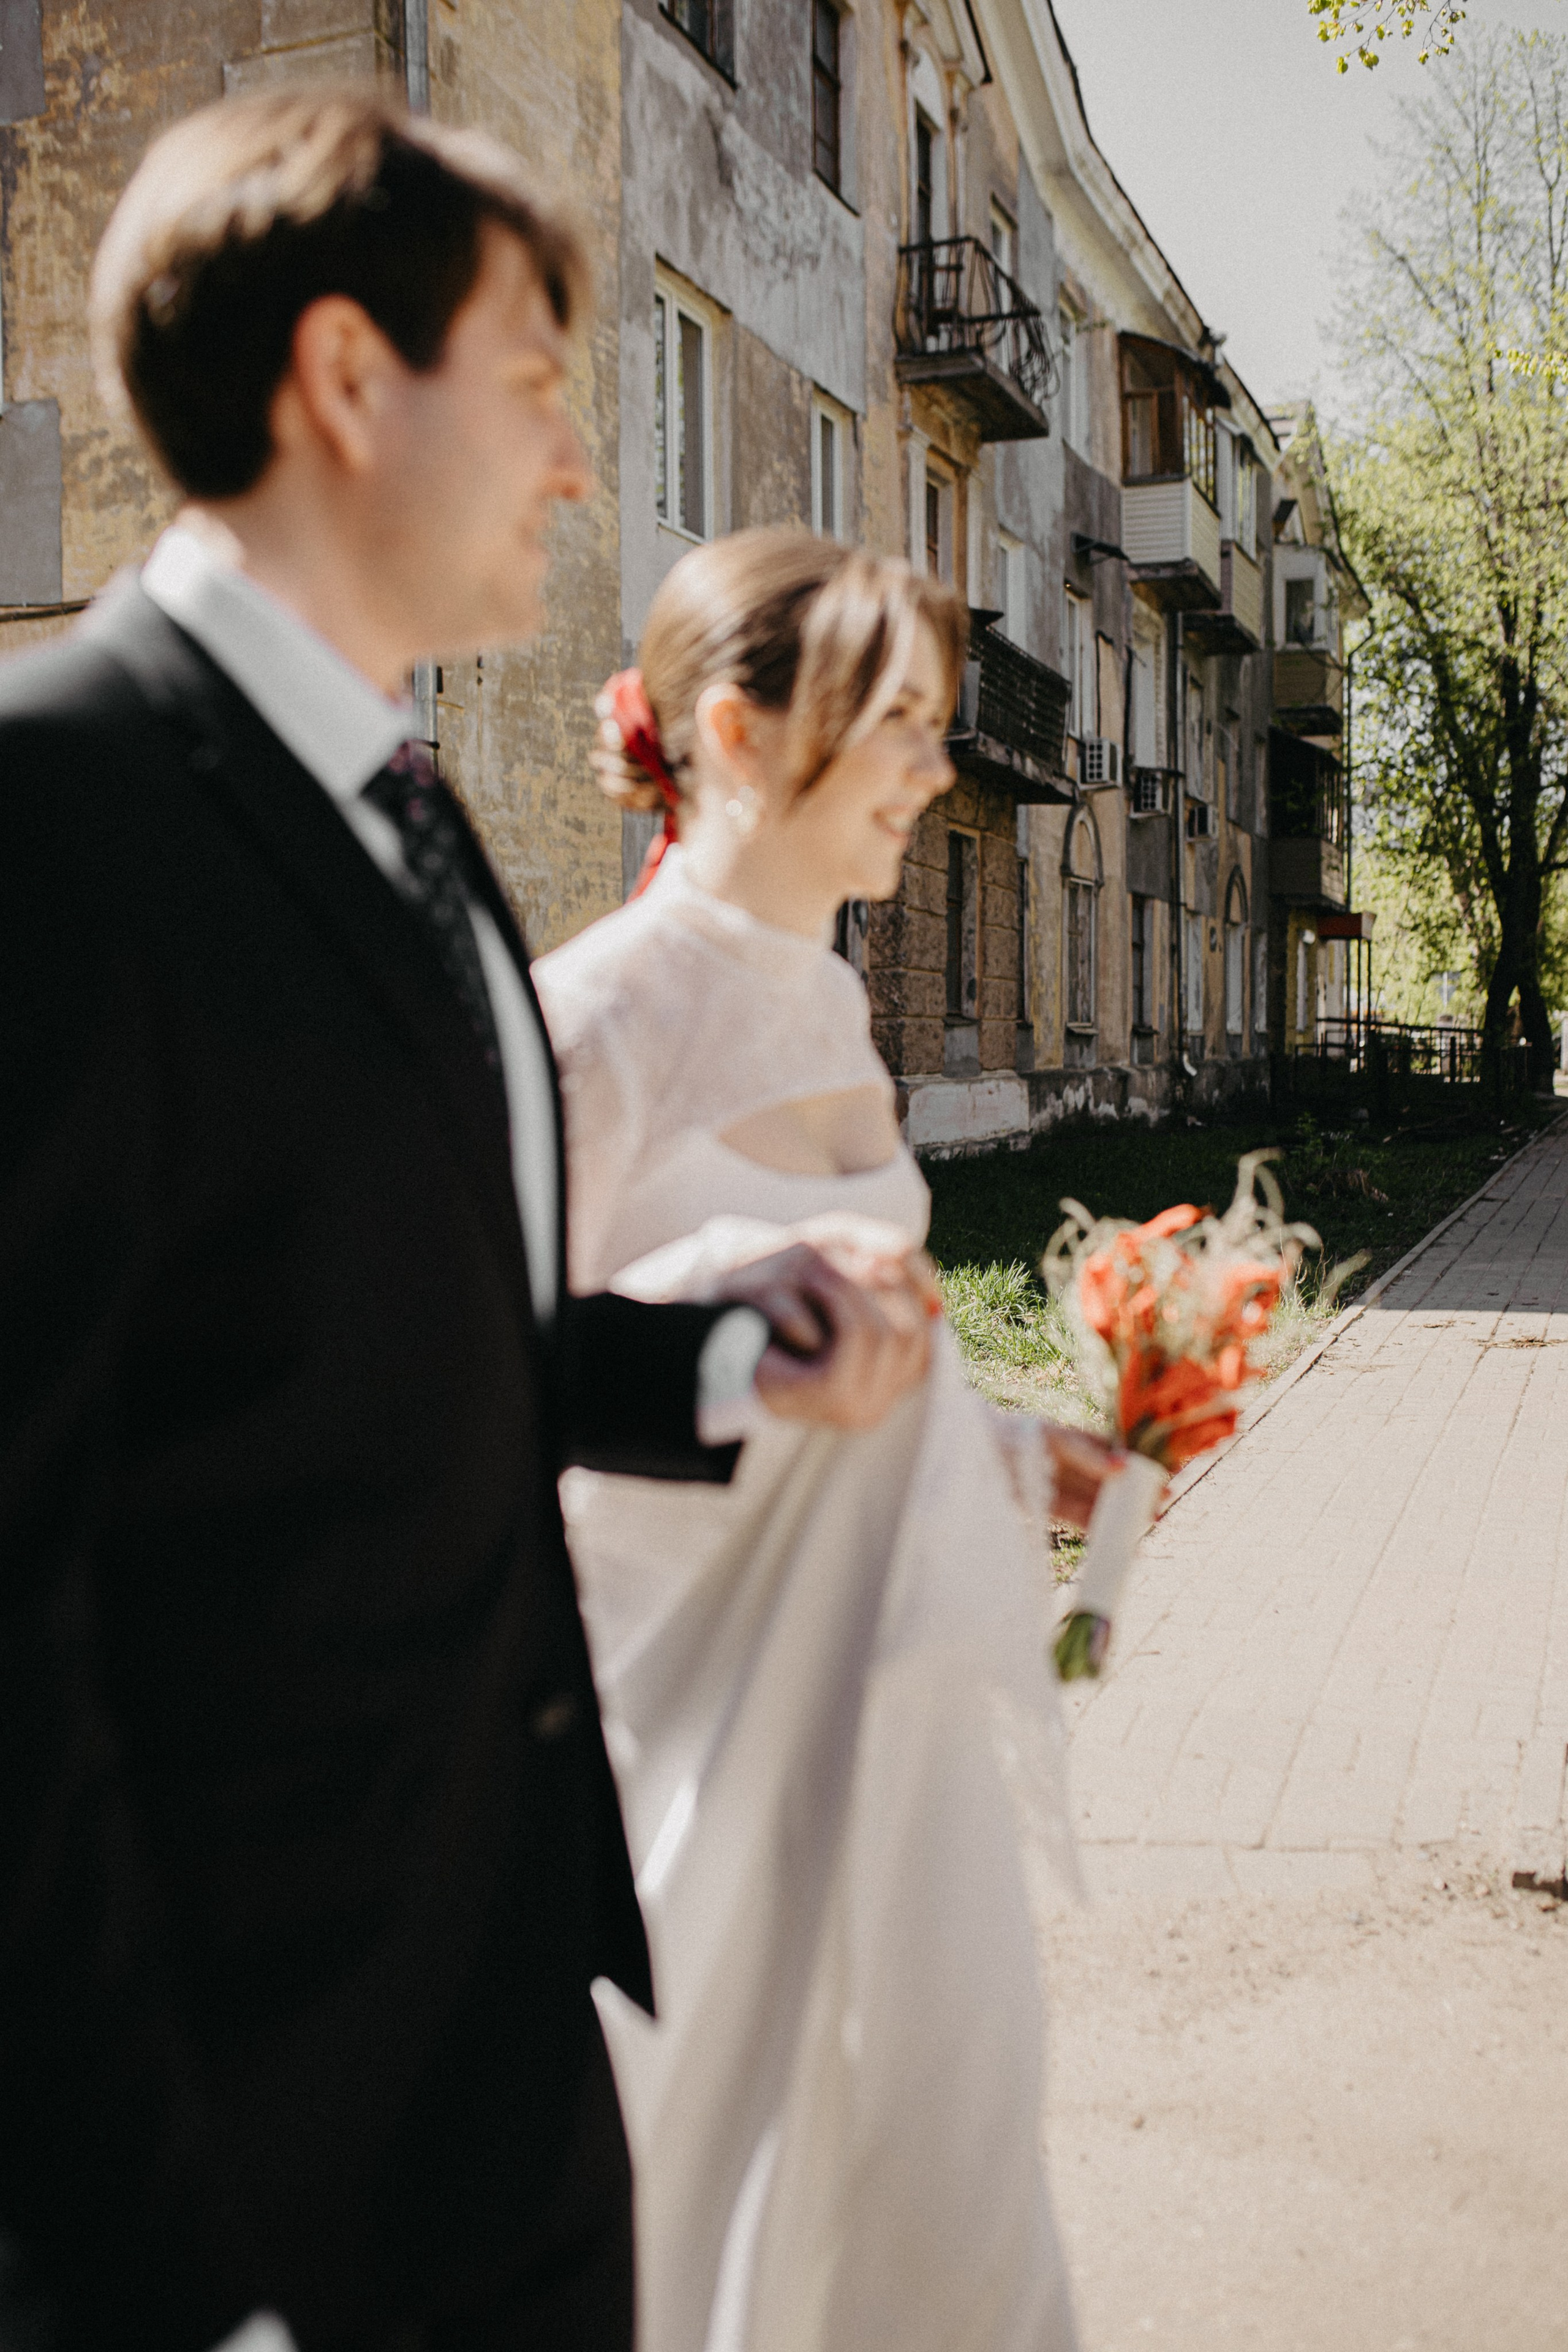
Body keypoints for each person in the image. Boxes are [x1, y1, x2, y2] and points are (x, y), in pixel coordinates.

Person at [0, 95, 937, 2352]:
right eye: (535, 381)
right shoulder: (59, 822)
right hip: (225, 2159)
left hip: (502, 2057)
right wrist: (155, 2271)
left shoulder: (408, 815)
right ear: (342, 379)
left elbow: (407, 1347)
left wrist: (726, 1351)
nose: (584, 462)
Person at [534, 530, 1117, 2352]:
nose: (937, 774)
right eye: (902, 727)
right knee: (696, 2186)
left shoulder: (840, 1009)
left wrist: (1013, 1456)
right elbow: (504, 1384)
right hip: (673, 1732)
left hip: (885, 1714)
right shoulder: (593, 1019)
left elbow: (855, 1368)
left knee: (927, 2178)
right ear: (735, 732)